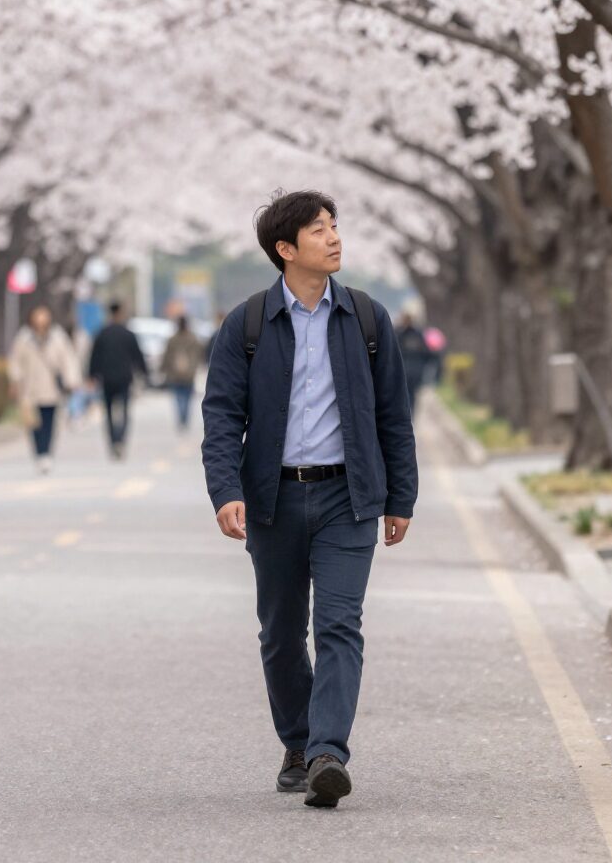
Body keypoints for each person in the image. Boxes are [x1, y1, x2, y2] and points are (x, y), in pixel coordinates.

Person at [201, 190, 418, 810]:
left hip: (348, 498)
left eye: (334, 226)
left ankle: (328, 754)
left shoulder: (368, 319)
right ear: (285, 249)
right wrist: (226, 491)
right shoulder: (246, 325)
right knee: (279, 632)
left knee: (338, 625)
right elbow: (221, 417)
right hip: (272, 501)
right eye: (318, 230)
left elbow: (393, 417)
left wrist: (401, 496)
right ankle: (297, 744)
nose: (334, 237)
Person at [7, 303, 79, 475]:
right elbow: (15, 361)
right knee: (33, 425)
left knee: (50, 422)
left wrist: (71, 381)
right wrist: (15, 381)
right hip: (30, 389)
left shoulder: (57, 336)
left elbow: (67, 360)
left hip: (51, 388)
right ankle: (39, 452)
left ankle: (47, 453)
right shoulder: (24, 338)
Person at [87, 302, 147, 459]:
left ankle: (113, 441)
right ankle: (120, 440)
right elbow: (138, 356)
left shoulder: (101, 333)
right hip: (124, 378)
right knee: (125, 411)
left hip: (106, 379)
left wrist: (92, 375)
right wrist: (143, 373)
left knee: (108, 412)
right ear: (120, 313)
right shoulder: (128, 334)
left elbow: (94, 357)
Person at [161, 315, 204, 431]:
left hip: (174, 374)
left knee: (178, 397)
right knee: (187, 398)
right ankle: (184, 418)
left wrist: (163, 369)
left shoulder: (172, 339)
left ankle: (181, 418)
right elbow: (200, 353)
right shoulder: (193, 339)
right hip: (189, 374)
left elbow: (166, 356)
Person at [396, 312, 431, 413]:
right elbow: (426, 353)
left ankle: (405, 414)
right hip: (416, 371)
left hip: (402, 371)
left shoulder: (398, 334)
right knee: (412, 396)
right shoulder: (418, 334)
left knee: (402, 395)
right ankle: (411, 415)